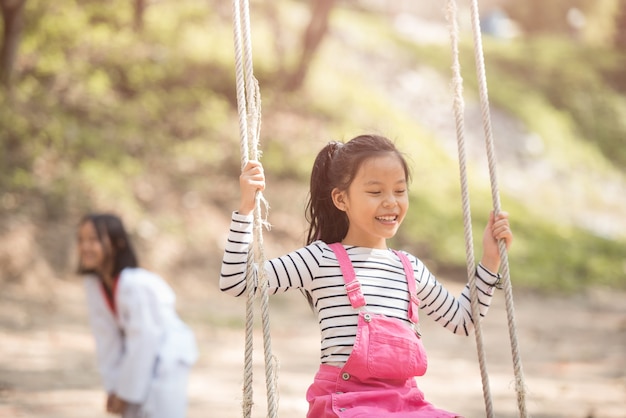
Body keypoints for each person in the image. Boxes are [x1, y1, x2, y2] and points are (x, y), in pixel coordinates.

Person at [220, 134, 513, 417]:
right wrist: (246, 210)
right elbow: (237, 281)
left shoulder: (409, 267)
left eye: (399, 191)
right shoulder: (321, 259)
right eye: (375, 192)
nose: (390, 202)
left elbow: (463, 321)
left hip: (404, 404)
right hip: (344, 403)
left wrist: (490, 259)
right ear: (341, 199)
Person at [78, 213, 198, 418]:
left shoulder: (136, 283)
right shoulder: (95, 286)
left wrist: (125, 394)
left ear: (117, 243)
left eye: (94, 239)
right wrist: (113, 388)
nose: (85, 247)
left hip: (166, 357)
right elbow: (107, 341)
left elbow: (144, 339)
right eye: (81, 240)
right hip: (136, 361)